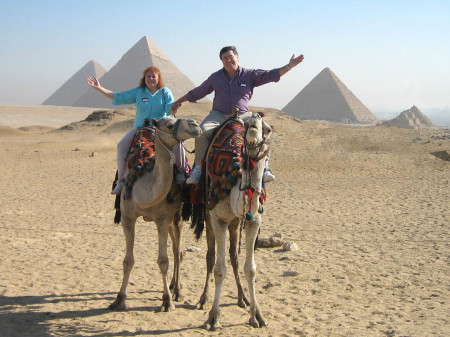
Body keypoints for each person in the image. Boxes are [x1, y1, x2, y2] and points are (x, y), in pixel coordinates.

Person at [171, 46, 304, 184]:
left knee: (265, 129)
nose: (228, 60)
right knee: (201, 131)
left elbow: (270, 75)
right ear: (222, 61)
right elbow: (199, 91)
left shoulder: (249, 74)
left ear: (237, 57)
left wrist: (289, 66)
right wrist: (179, 101)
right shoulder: (216, 77)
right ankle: (198, 168)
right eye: (225, 58)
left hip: (243, 115)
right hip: (218, 115)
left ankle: (265, 167)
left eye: (231, 57)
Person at [86, 66, 187, 194]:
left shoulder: (164, 92)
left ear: (159, 78)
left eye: (154, 76)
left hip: (159, 130)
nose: (151, 79)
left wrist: (174, 108)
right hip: (140, 129)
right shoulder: (139, 92)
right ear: (144, 79)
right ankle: (121, 180)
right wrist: (99, 88)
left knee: (179, 144)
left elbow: (170, 109)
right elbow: (117, 96)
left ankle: (180, 172)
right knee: (121, 146)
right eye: (148, 76)